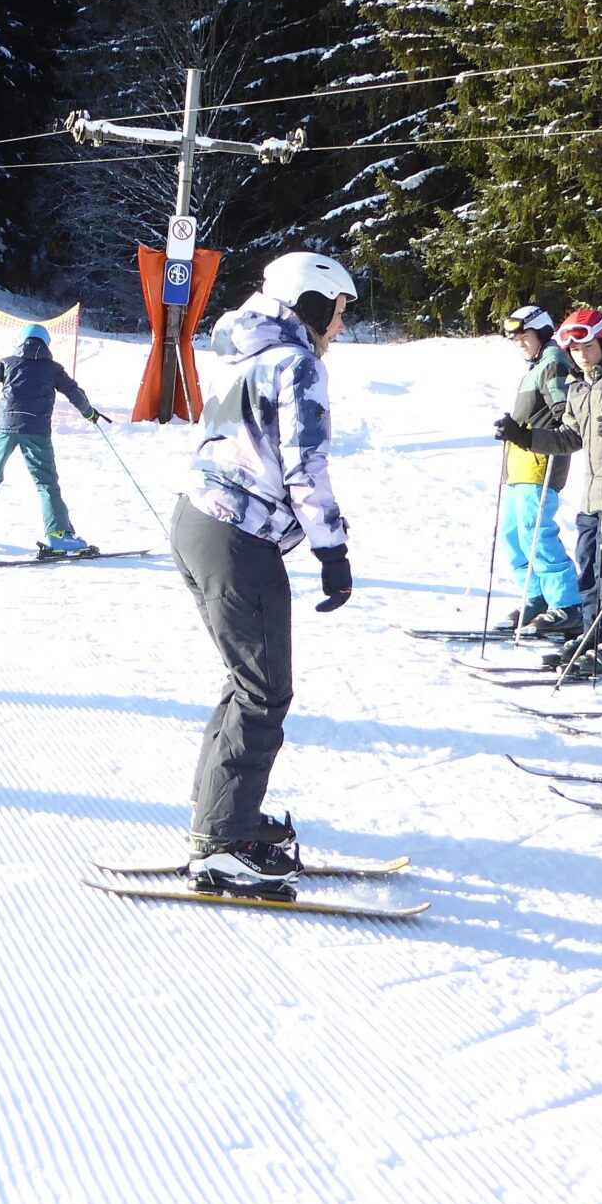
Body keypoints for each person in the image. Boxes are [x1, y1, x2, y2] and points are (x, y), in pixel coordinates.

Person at [174, 251, 356, 897]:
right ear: (310, 302)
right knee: (264, 690)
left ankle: (221, 817)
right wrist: (332, 550)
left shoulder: (242, 353)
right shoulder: (295, 363)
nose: (340, 325)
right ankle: (223, 845)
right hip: (236, 536)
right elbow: (305, 462)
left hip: (198, 521)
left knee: (248, 681)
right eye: (337, 311)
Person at [498, 307, 602, 677]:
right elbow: (568, 437)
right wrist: (524, 437)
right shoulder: (581, 384)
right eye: (573, 349)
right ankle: (594, 633)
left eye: (587, 346)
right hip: (594, 491)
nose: (580, 355)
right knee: (588, 566)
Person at [0, 323, 103, 556]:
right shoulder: (53, 369)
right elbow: (74, 392)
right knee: (46, 482)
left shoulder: (8, 363)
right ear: (46, 344)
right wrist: (89, 413)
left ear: (21, 342)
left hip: (5, 427)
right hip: (36, 429)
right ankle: (59, 535)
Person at [492, 305, 585, 639]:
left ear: (543, 331)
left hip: (541, 463)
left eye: (525, 336)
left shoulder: (554, 363)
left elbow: (567, 415)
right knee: (513, 536)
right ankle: (537, 597)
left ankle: (567, 603)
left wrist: (530, 433)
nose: (519, 343)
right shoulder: (538, 366)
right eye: (514, 339)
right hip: (519, 466)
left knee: (536, 534)